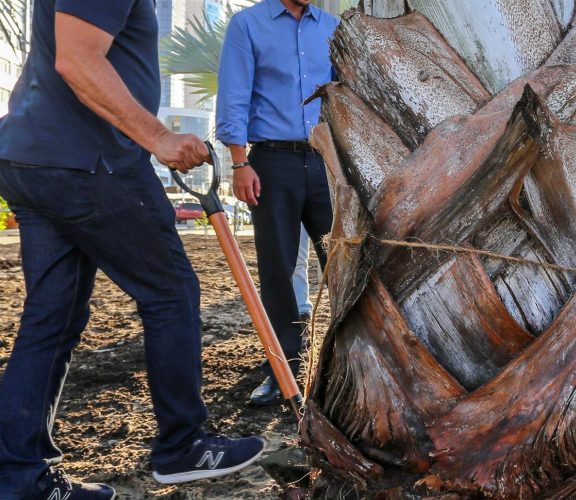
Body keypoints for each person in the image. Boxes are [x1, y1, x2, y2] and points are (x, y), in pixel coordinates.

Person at [0, 1, 265, 496]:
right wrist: (158, 136)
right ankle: (182, 445)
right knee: (171, 293)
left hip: (37, 157)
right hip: (92, 161)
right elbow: (77, 60)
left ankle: (19, 478)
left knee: (50, 321)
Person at [216, 0, 339, 404]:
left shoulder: (334, 28)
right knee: (278, 269)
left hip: (327, 160)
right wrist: (239, 163)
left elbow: (350, 93)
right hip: (270, 163)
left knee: (344, 262)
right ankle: (284, 368)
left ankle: (348, 363)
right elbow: (234, 95)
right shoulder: (247, 25)